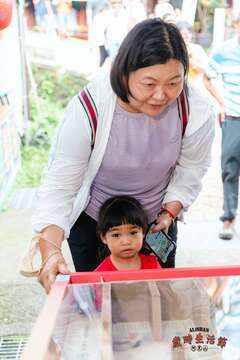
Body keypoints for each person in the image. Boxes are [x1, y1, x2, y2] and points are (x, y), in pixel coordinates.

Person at [21, 18, 215, 293]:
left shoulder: (195, 109)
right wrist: (50, 250)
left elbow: (192, 168)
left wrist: (169, 212)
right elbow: (61, 186)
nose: (161, 95)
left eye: (174, 82)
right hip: (95, 224)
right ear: (124, 73)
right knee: (100, 303)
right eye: (149, 83)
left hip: (154, 224)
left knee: (155, 299)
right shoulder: (89, 108)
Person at [203, 13, 240, 240]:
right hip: (233, 118)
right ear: (236, 25)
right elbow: (206, 78)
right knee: (229, 169)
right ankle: (228, 218)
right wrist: (221, 103)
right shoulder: (224, 52)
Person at [94, 195, 161, 271]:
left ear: (143, 233)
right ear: (103, 238)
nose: (126, 242)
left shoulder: (153, 264)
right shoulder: (100, 274)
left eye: (133, 233)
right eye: (116, 235)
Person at [177, 21, 209, 93]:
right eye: (183, 34)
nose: (187, 36)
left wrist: (194, 64)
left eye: (188, 33)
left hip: (197, 88)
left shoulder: (198, 49)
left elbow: (207, 70)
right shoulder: (175, 51)